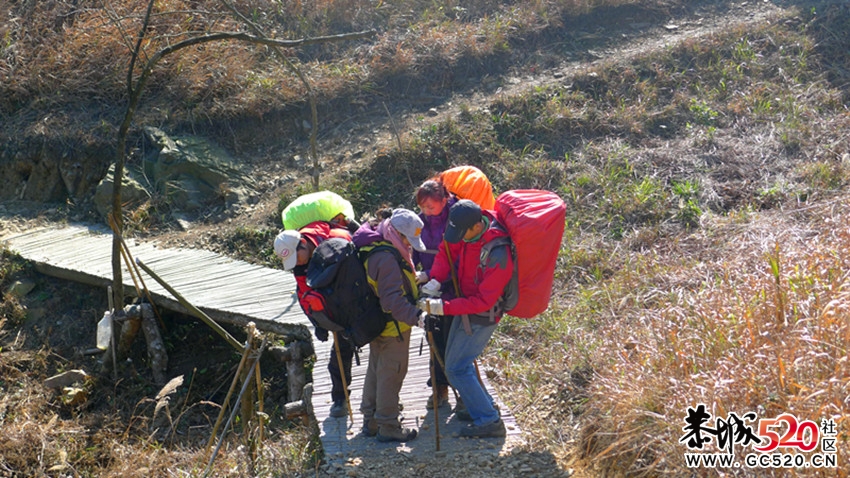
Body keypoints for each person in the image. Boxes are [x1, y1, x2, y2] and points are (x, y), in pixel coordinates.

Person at [416, 199, 512, 438]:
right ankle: (484, 407)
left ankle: (489, 420)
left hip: (483, 314)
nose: (457, 236)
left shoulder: (498, 253)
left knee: (456, 367)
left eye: (462, 233)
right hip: (464, 304)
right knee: (459, 364)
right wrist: (436, 278)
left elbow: (484, 301)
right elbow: (447, 250)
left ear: (477, 226)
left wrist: (443, 307)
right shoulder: (464, 230)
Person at [352, 208, 431, 442]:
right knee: (392, 374)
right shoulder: (386, 258)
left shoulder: (374, 243)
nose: (409, 246)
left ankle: (371, 420)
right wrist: (418, 316)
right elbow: (392, 300)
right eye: (408, 240)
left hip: (376, 322)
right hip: (393, 326)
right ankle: (388, 426)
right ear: (397, 233)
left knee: (376, 370)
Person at [274, 219, 356, 418]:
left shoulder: (335, 241)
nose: (298, 263)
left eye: (297, 257)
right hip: (334, 312)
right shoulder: (299, 266)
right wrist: (317, 323)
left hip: (357, 300)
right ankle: (340, 398)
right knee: (339, 356)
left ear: (303, 243)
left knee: (381, 353)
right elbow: (304, 294)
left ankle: (386, 402)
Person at [412, 179, 458, 410]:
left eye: (430, 207)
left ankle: (462, 390)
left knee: (454, 338)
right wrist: (416, 271)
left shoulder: (456, 219)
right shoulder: (421, 220)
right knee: (434, 336)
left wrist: (430, 274)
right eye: (422, 207)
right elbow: (415, 247)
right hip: (428, 287)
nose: (426, 212)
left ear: (444, 200)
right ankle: (439, 389)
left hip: (453, 286)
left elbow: (457, 257)